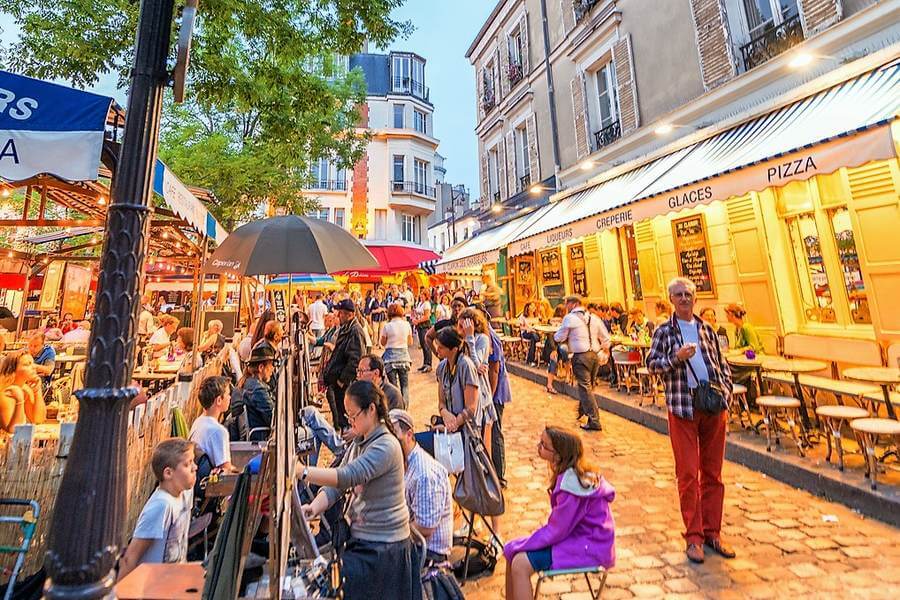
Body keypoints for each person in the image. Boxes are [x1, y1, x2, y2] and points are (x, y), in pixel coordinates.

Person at [298, 381, 422, 600]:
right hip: (364, 539)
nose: (350, 422)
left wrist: (302, 471)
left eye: (353, 416)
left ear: (371, 410)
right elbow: (338, 484)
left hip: (385, 546)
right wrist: (314, 507)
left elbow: (347, 476)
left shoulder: (386, 446)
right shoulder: (360, 441)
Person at [647, 277, 735, 564]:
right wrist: (676, 357)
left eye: (688, 294)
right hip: (683, 408)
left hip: (713, 406)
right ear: (671, 299)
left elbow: (722, 364)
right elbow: (652, 365)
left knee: (713, 474)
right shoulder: (664, 331)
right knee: (687, 474)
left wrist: (727, 394)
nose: (684, 298)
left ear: (694, 299)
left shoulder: (706, 329)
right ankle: (694, 536)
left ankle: (713, 532)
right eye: (679, 295)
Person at [503, 426, 616, 600]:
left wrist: (526, 544)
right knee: (511, 553)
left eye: (543, 445)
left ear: (558, 456)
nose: (538, 447)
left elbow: (557, 530)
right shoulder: (571, 474)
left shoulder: (571, 485)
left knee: (519, 564)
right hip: (580, 537)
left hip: (589, 546)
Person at [117, 438, 197, 581]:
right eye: (187, 464)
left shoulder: (185, 493)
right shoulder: (161, 505)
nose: (195, 467)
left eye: (193, 461)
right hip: (152, 585)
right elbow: (131, 556)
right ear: (168, 473)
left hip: (172, 582)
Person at [390, 409, 453, 562]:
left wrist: (389, 534)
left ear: (409, 434)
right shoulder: (401, 462)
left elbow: (425, 528)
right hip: (411, 541)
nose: (390, 441)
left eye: (394, 435)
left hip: (428, 552)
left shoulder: (424, 474)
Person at [554, 296, 610, 432]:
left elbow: (559, 337)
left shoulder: (569, 318)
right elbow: (606, 338)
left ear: (574, 304)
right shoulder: (594, 318)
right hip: (595, 356)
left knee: (585, 388)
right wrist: (604, 350)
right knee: (588, 387)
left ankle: (594, 420)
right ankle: (582, 410)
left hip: (580, 356)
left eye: (567, 303)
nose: (566, 306)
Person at [323, 299, 366, 431]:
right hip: (339, 384)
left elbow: (355, 359)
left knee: (347, 419)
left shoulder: (355, 331)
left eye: (341, 313)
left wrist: (342, 380)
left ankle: (348, 443)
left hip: (346, 385)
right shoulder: (346, 328)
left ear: (350, 315)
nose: (338, 316)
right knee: (342, 417)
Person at [189, 375, 238, 473]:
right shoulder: (218, 431)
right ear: (219, 400)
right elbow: (225, 469)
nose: (230, 397)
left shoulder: (198, 422)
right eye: (228, 394)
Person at [229, 344, 277, 441]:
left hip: (256, 435)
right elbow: (274, 419)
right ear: (261, 367)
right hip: (262, 438)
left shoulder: (246, 382)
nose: (273, 369)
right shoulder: (257, 389)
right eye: (271, 365)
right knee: (312, 433)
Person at [0, 351, 47, 434]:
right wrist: (20, 401)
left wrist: (37, 390)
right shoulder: (5, 393)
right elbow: (13, 431)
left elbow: (38, 420)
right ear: (13, 370)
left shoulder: (25, 389)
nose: (33, 367)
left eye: (32, 363)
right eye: (27, 364)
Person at [381, 302, 413, 405]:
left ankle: (396, 405)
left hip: (390, 357)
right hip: (404, 356)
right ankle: (405, 406)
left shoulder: (387, 326)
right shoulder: (407, 325)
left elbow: (382, 342)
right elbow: (410, 342)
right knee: (405, 385)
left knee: (393, 386)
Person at [413, 290, 433, 373]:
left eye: (423, 295)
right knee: (422, 345)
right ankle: (425, 363)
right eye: (420, 295)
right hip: (419, 326)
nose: (421, 297)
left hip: (424, 325)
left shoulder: (427, 304)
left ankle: (429, 364)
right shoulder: (420, 303)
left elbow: (427, 316)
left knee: (426, 345)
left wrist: (418, 321)